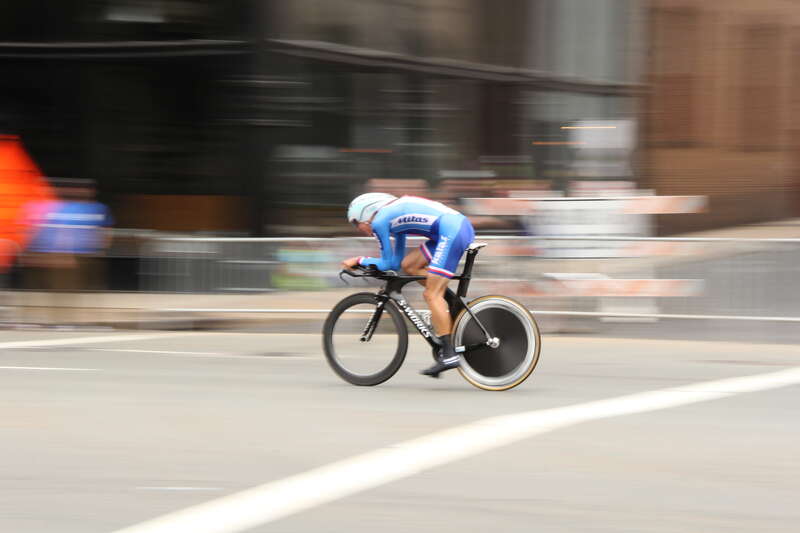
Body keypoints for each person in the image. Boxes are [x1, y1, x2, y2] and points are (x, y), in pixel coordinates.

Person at [341, 192, 475, 378]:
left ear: (366, 213)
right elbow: (396, 263)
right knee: (409, 266)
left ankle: (449, 354)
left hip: (451, 230)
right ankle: (450, 301)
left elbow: (387, 264)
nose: (358, 229)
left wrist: (359, 260)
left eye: (356, 223)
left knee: (431, 295)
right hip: (451, 228)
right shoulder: (392, 220)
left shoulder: (380, 221)